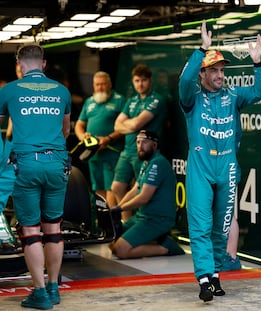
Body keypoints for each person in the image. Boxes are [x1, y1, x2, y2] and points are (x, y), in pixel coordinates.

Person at [178, 20, 261, 302]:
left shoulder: (233, 95)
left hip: (228, 166)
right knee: (200, 224)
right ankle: (204, 278)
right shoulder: (191, 98)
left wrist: (258, 63)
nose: (220, 75)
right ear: (202, 74)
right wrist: (201, 49)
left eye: (222, 70)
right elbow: (183, 81)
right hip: (201, 167)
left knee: (222, 225)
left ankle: (216, 274)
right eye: (214, 70)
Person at [0, 44, 71, 310]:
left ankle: (40, 294)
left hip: (25, 165)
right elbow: (66, 130)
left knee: (30, 231)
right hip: (57, 164)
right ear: (43, 64)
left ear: (19, 65)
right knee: (54, 228)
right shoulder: (61, 91)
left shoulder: (8, 91)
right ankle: (54, 289)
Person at [109, 130, 184, 259]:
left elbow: (144, 197)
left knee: (120, 250)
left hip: (157, 219)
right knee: (112, 241)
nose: (140, 146)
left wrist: (121, 208)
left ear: (155, 145)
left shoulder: (158, 163)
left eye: (144, 142)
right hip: (142, 216)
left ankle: (166, 248)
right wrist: (118, 206)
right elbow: (134, 190)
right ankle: (156, 240)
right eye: (138, 142)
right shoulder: (146, 163)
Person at [112, 64, 166, 221]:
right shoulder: (131, 101)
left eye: (143, 80)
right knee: (117, 187)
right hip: (127, 151)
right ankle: (125, 223)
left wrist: (128, 125)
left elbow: (136, 125)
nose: (140, 84)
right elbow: (117, 125)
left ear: (150, 81)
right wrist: (131, 125)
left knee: (142, 191)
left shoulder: (157, 100)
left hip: (145, 153)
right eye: (136, 81)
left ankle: (141, 223)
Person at [74, 71, 125, 208]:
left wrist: (108, 138)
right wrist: (82, 136)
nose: (100, 87)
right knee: (98, 188)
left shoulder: (119, 100)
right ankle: (103, 221)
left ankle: (112, 222)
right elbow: (79, 124)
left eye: (103, 84)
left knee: (111, 188)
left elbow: (124, 127)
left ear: (110, 85)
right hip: (93, 154)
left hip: (111, 153)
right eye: (97, 85)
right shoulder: (89, 102)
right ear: (93, 86)